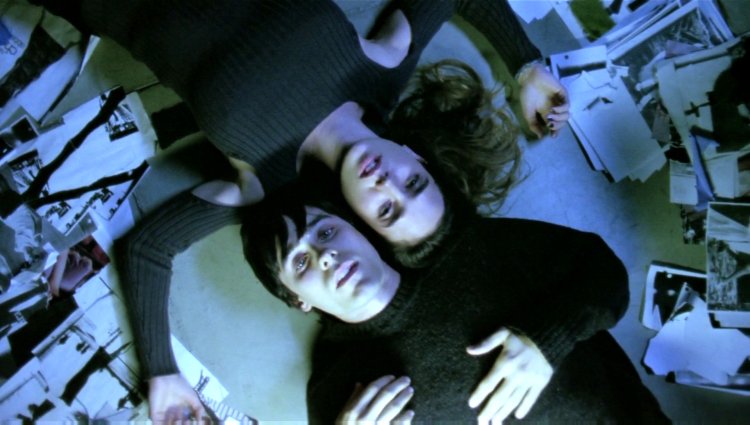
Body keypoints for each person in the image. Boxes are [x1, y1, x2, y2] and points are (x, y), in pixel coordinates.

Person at [35, 0, 570, 420]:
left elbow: (149, 248)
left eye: (387, 210)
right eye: (413, 182)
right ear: (417, 157)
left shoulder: (271, 190)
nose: (387, 182)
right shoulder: (382, 66)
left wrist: (162, 372)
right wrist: (526, 66)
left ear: (362, 224)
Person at [240, 188, 670, 423]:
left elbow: (603, 272)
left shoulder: (467, 249)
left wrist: (546, 339)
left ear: (355, 227)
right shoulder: (336, 389)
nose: (324, 256)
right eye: (300, 262)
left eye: (325, 232)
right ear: (298, 300)